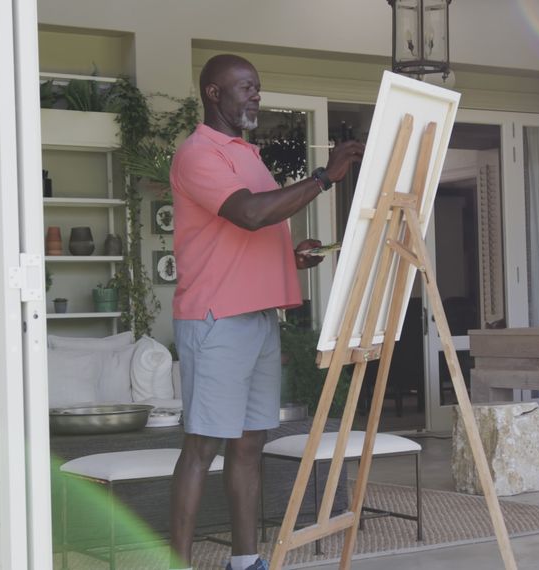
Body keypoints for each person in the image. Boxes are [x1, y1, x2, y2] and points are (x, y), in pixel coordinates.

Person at [167, 54, 364, 570]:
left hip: (257, 317)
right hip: (215, 319)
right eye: (245, 87)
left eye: (257, 87)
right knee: (203, 444)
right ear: (214, 93)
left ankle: (244, 560)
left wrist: (289, 256)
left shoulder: (248, 155)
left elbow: (252, 229)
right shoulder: (197, 154)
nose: (255, 95)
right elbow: (250, 214)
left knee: (251, 443)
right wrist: (324, 178)